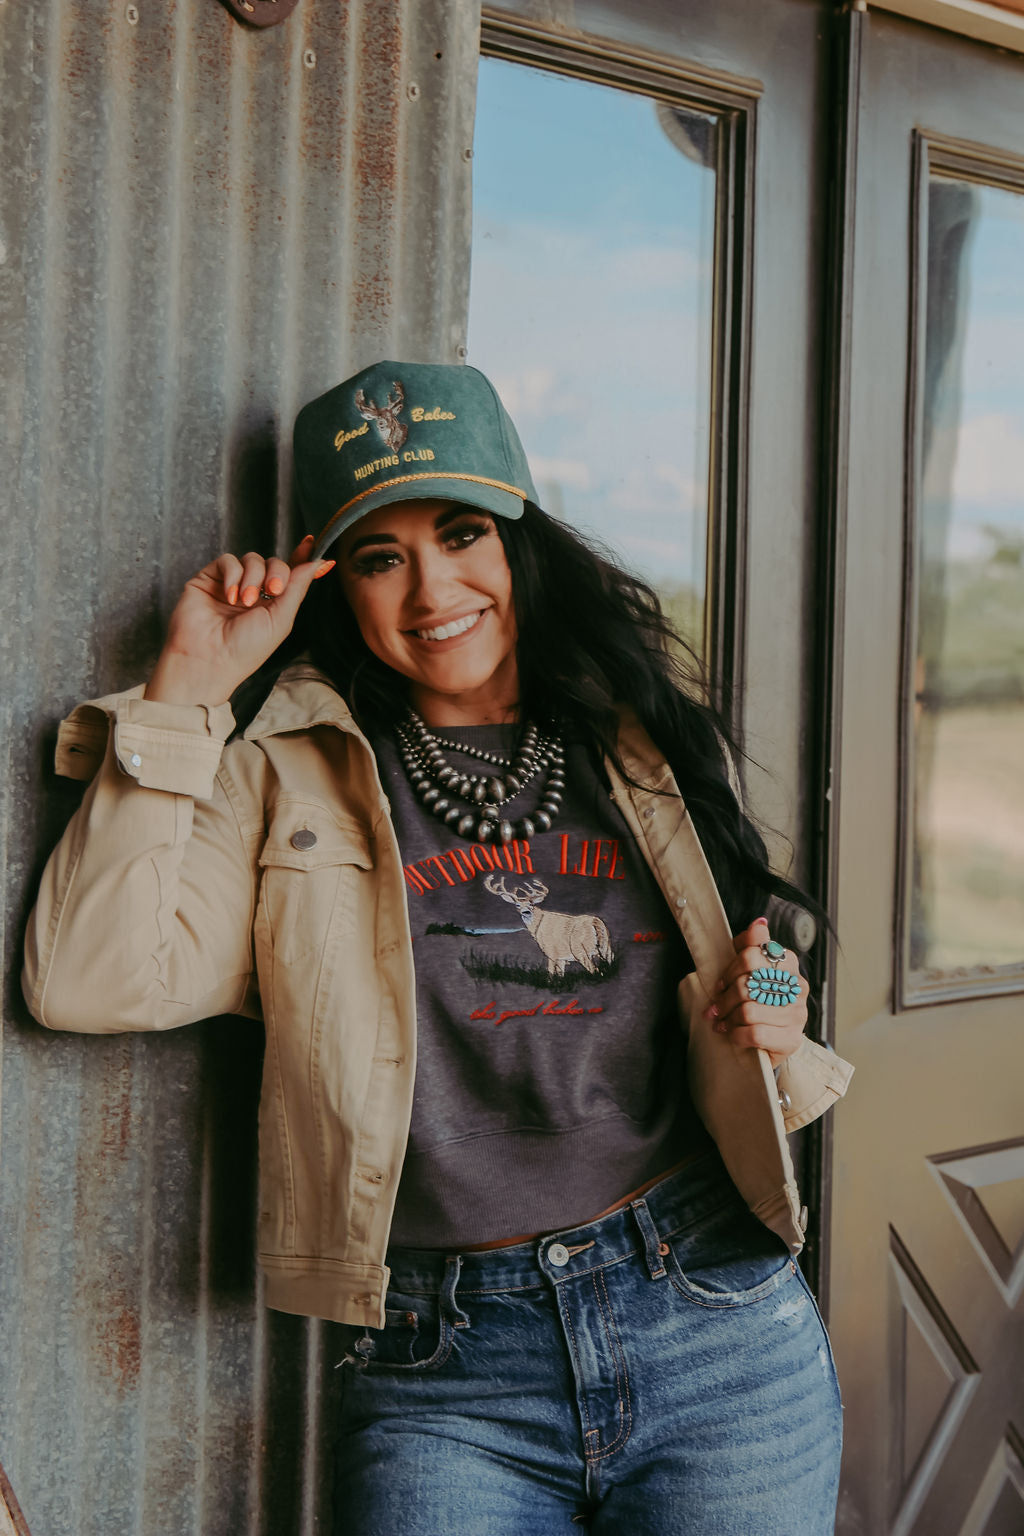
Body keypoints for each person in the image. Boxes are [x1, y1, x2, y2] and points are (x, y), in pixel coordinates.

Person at [23, 360, 853, 1534]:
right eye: (380, 557)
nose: (430, 591)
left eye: (462, 535)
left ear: (519, 542)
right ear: (334, 582)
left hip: (710, 1320)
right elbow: (88, 980)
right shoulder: (281, 773)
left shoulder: (636, 738)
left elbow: (746, 965)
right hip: (444, 1370)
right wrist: (188, 689)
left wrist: (772, 1006)